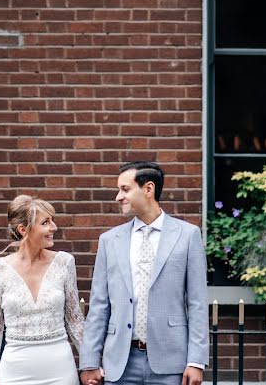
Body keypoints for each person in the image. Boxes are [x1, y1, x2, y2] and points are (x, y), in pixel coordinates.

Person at [79, 161, 208, 385]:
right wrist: (89, 362)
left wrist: (196, 361)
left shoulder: (188, 235)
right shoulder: (109, 240)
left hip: (171, 363)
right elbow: (99, 305)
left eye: (125, 189)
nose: (118, 197)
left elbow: (198, 303)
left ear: (148, 189)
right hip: (120, 364)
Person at [0, 195, 97, 385]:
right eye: (46, 222)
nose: (54, 227)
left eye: (52, 220)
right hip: (15, 370)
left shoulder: (64, 262)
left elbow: (75, 320)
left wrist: (90, 365)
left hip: (60, 368)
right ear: (23, 229)